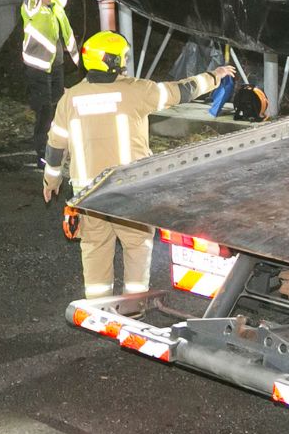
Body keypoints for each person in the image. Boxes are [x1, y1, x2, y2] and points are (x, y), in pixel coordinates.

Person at [42, 31, 233, 298]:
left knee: (95, 248)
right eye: (122, 57)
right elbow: (182, 91)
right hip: (128, 191)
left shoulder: (70, 99)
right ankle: (134, 306)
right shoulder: (137, 91)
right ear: (113, 61)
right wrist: (215, 76)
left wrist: (51, 181)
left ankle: (98, 307)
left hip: (88, 195)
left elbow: (55, 145)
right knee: (137, 246)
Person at [19, 0, 78, 168]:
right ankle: (43, 152)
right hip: (38, 68)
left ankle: (59, 147)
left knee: (59, 108)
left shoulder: (56, 7)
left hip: (55, 66)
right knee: (44, 110)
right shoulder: (32, 10)